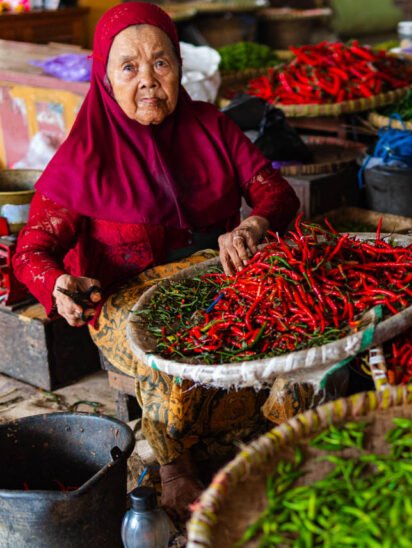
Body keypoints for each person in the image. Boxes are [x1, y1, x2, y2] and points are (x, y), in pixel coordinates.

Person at [12, 2, 301, 518]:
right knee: (167, 351)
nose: (147, 80)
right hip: (128, 299)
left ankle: (280, 436)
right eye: (129, 67)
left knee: (295, 321)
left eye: (161, 62)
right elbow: (32, 251)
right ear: (105, 78)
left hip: (218, 276)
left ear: (179, 67)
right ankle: (175, 469)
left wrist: (253, 224)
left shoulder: (212, 127)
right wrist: (56, 283)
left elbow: (275, 194)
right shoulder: (83, 159)